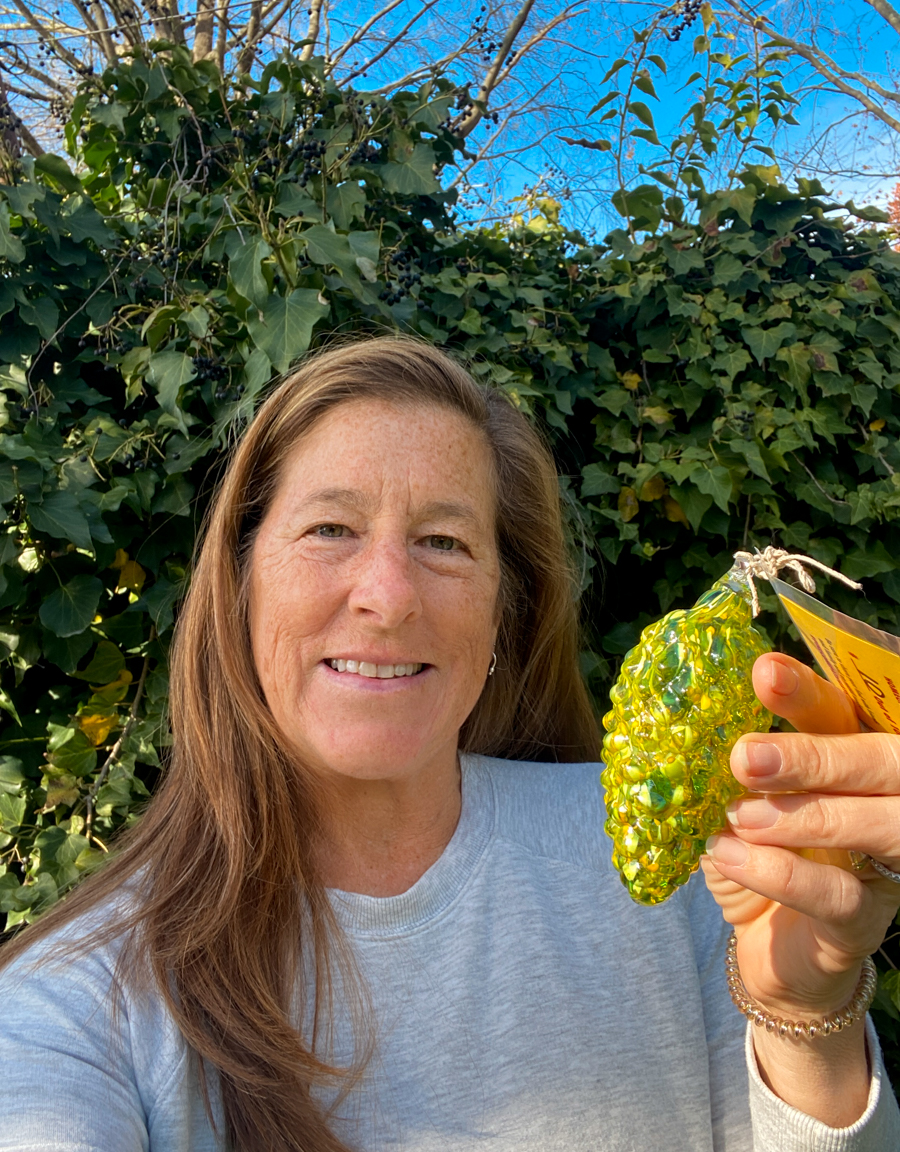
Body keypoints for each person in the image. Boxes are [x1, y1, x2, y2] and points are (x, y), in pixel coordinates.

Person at [0, 335, 898, 1152]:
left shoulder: (680, 862)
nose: (388, 597)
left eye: (443, 541)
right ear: (239, 584)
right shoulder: (81, 1002)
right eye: (329, 530)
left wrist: (803, 1019)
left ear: (505, 608)